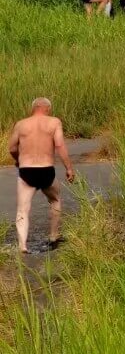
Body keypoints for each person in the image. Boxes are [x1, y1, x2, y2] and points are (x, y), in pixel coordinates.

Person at [8, 98, 74, 255]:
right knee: (55, 200)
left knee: (22, 210)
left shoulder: (21, 124)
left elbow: (12, 147)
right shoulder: (54, 122)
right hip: (46, 170)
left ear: (34, 108)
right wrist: (69, 168)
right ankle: (53, 237)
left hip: (26, 171)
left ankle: (22, 246)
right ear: (47, 108)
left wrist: (18, 160)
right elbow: (59, 145)